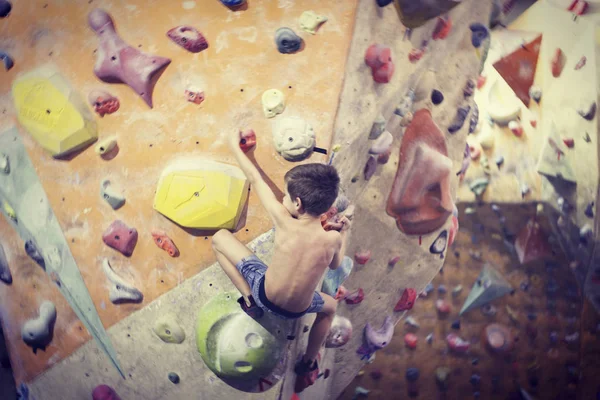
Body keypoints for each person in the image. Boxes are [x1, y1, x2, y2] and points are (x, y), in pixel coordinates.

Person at [211, 130, 350, 387]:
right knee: (330, 308)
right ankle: (309, 361)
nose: (281, 199)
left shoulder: (284, 221)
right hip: (298, 310)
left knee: (219, 239)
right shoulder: (332, 239)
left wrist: (234, 144)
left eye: (285, 196)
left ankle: (249, 299)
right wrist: (343, 231)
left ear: (297, 204)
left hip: (265, 295)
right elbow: (336, 264)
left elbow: (254, 177)